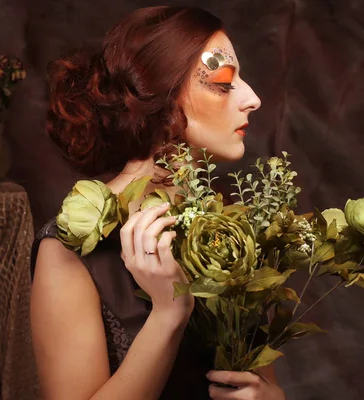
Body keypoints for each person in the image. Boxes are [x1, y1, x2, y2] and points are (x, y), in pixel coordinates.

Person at [30, 6, 285, 400]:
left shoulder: (231, 228)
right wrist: (168, 314)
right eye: (222, 81)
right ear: (161, 95)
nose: (252, 98)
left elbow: (264, 380)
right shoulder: (69, 249)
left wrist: (271, 397)